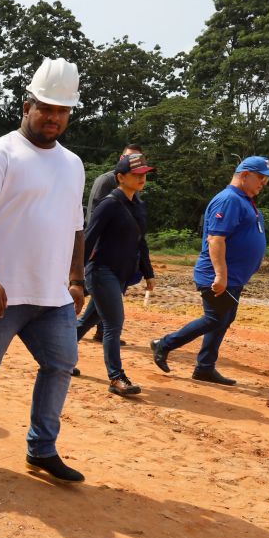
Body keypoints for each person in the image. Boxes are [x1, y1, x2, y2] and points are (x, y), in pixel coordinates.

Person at [0, 57, 87, 483]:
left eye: (62, 110)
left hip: (51, 295)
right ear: (27, 107)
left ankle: (42, 449)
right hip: (1, 294)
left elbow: (76, 226)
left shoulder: (73, 164)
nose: (53, 117)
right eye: (46, 108)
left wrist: (76, 278)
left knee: (60, 364)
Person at [151, 156, 269, 386]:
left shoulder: (244, 200)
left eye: (266, 179)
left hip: (233, 277)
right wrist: (220, 275)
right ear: (245, 175)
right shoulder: (229, 200)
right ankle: (164, 344)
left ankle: (205, 367)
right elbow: (216, 239)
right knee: (214, 318)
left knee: (224, 318)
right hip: (216, 275)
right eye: (261, 177)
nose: (264, 183)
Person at [81, 152, 157, 396]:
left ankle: (55, 356)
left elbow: (140, 241)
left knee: (87, 321)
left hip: (121, 274)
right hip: (101, 271)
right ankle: (116, 377)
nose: (141, 179)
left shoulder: (138, 205)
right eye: (136, 174)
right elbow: (88, 239)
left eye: (144, 174)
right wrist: (75, 277)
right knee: (113, 324)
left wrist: (148, 272)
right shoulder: (109, 204)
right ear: (120, 177)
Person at [75, 143, 143, 349]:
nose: (134, 162)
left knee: (101, 303)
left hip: (121, 256)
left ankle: (98, 331)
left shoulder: (136, 185)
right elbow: (94, 216)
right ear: (121, 160)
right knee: (91, 292)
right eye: (129, 158)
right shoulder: (105, 181)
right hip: (101, 252)